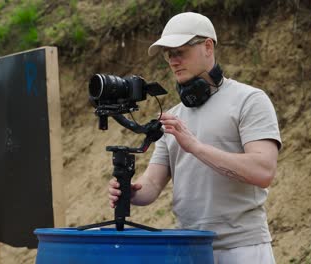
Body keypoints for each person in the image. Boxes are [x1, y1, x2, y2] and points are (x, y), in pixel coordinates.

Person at [108, 12, 282, 264]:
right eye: (169, 55)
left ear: (208, 46)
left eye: (180, 51)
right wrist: (129, 191)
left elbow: (263, 171)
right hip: (188, 248)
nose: (173, 61)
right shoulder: (173, 116)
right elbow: (153, 185)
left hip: (243, 247)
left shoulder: (250, 100)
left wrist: (197, 147)